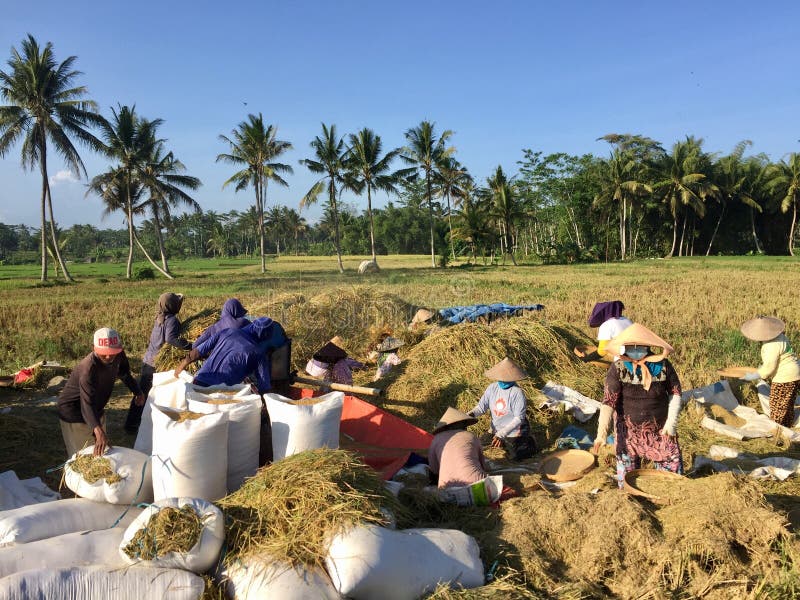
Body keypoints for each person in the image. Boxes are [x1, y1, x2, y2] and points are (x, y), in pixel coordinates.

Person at [593, 323, 683, 487]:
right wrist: (601, 434)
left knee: (671, 474)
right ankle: (632, 500)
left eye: (639, 346)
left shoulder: (663, 365)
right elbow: (608, 402)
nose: (635, 349)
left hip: (661, 429)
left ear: (648, 346)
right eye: (631, 346)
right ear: (625, 347)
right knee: (628, 480)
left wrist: (672, 423)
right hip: (628, 431)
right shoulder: (618, 368)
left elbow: (675, 393)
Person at [58, 328, 144, 457]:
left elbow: (124, 373)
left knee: (101, 451)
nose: (109, 357)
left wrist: (137, 391)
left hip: (95, 407)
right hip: (74, 411)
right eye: (104, 353)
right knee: (83, 455)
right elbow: (87, 403)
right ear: (94, 348)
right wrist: (97, 430)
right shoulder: (88, 369)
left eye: (112, 352)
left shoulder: (118, 355)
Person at [125, 292, 191, 433]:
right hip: (155, 363)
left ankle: (132, 423)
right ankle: (131, 425)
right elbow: (171, 339)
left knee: (142, 392)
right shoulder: (171, 319)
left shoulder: (160, 316)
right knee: (144, 393)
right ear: (172, 305)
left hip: (148, 360)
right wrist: (189, 346)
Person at [175, 317, 287, 394]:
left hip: (199, 382)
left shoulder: (227, 332)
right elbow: (264, 386)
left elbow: (199, 351)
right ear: (266, 336)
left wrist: (181, 366)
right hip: (222, 393)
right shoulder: (258, 353)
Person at [468, 357, 538, 461]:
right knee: (478, 446)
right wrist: (469, 415)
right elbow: (481, 408)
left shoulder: (517, 393)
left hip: (514, 431)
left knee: (515, 457)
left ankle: (529, 442)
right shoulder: (492, 388)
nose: (504, 380)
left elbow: (519, 418)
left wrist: (501, 434)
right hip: (496, 429)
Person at [740, 316, 800, 427]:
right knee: (788, 403)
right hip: (795, 373)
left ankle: (777, 430)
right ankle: (787, 424)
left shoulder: (770, 345)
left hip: (784, 377)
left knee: (777, 405)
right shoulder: (781, 337)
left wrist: (755, 375)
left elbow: (769, 368)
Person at [428, 407, 488, 489]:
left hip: (447, 490)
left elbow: (434, 470)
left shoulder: (436, 439)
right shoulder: (471, 436)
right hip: (479, 487)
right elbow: (482, 465)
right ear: (463, 425)